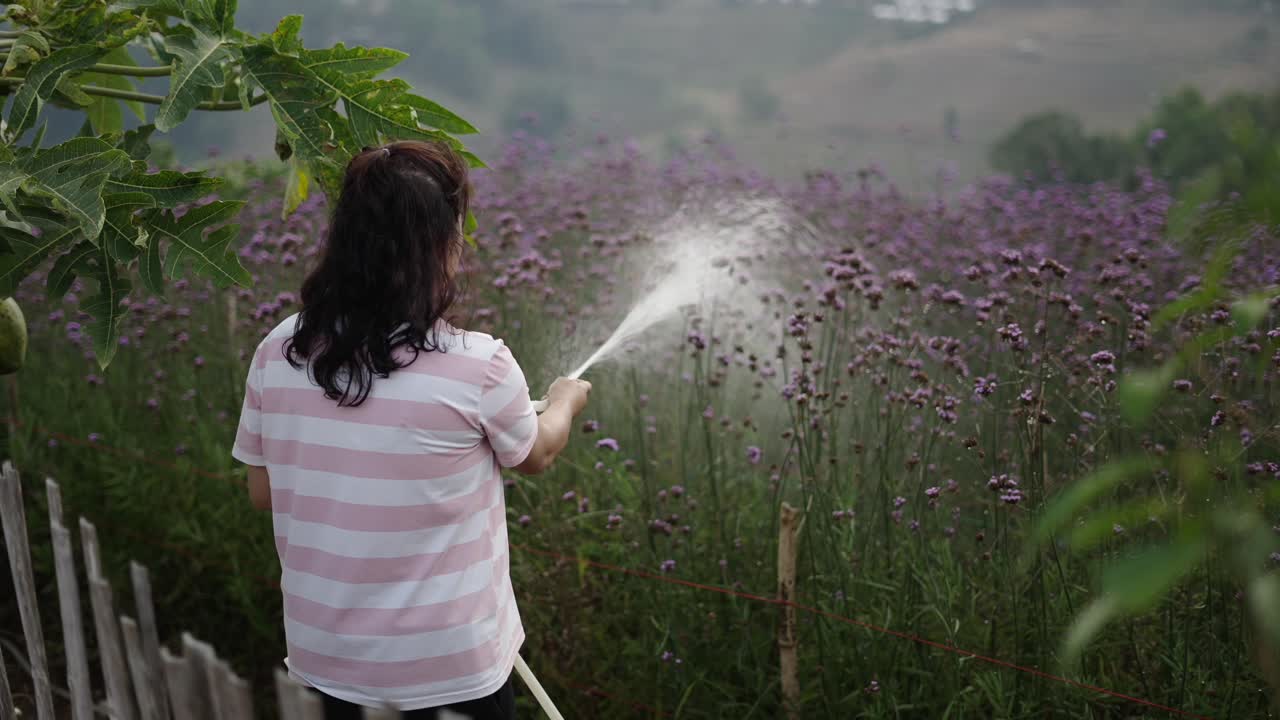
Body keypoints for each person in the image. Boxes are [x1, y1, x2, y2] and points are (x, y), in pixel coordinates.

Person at [231, 140, 591, 719]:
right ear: (441, 248)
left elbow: (262, 491)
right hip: (449, 680)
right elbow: (537, 453)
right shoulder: (480, 366)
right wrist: (566, 400)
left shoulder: (278, 350)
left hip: (325, 668)